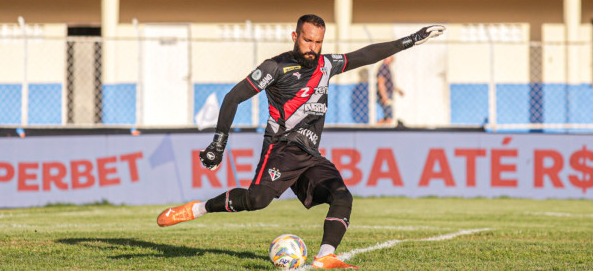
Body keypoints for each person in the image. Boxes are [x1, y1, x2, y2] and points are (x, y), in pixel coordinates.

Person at [156, 15, 444, 269]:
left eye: (318, 42)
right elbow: (233, 98)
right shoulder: (274, 67)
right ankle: (197, 209)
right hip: (280, 149)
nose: (313, 48)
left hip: (310, 155)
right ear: (296, 37)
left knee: (342, 197)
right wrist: (218, 145)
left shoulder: (327, 64)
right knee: (256, 201)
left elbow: (367, 54)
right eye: (307, 40)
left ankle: (324, 257)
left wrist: (413, 39)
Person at [376, 55, 404, 125]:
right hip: (385, 94)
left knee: (386, 116)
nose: (393, 58)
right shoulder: (383, 68)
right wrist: (384, 96)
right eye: (391, 56)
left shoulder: (387, 68)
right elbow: (381, 82)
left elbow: (389, 83)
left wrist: (397, 90)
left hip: (387, 94)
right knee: (388, 117)